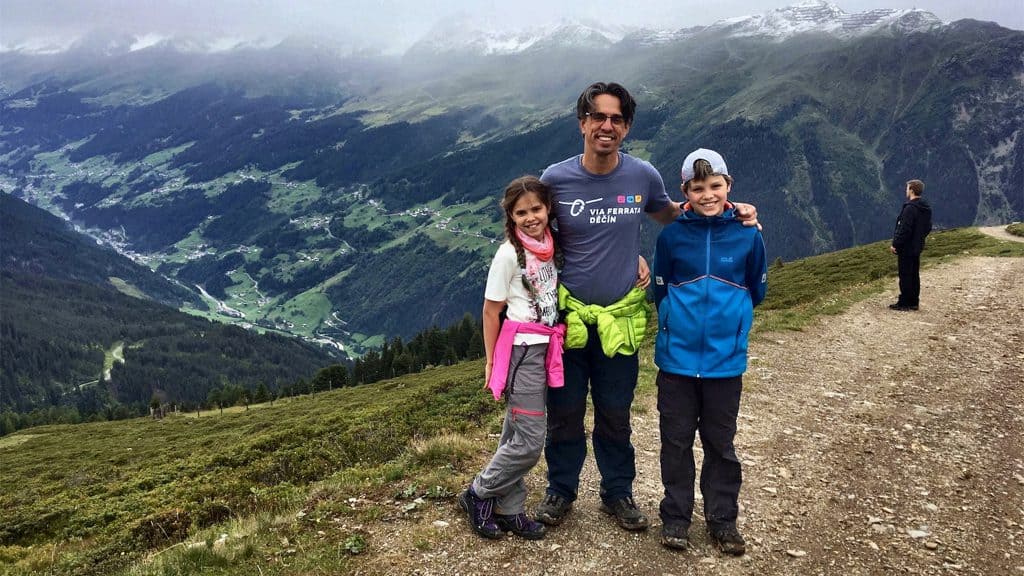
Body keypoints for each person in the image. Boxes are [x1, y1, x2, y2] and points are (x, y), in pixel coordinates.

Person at [534, 82, 759, 532]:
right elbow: (535, 229)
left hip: (621, 319)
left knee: (616, 413)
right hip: (569, 320)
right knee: (565, 412)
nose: (607, 126)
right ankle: (561, 490)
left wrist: (732, 211)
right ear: (582, 123)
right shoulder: (555, 180)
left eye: (616, 119)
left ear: (627, 127)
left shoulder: (642, 177)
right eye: (598, 117)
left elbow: (676, 213)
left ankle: (617, 492)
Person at [651, 148, 767, 554]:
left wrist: (729, 324)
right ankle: (676, 519)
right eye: (698, 188)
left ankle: (723, 520)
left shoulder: (749, 234)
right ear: (685, 191)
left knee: (721, 444)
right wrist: (674, 317)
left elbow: (757, 289)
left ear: (728, 186)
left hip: (724, 363)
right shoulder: (672, 236)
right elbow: (660, 289)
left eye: (715, 186)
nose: (707, 195)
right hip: (676, 362)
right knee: (676, 442)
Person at [459, 176, 566, 541]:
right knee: (531, 441)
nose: (530, 217)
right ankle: (478, 493)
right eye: (521, 212)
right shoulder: (508, 254)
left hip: (545, 346)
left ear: (548, 208)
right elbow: (491, 311)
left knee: (515, 432)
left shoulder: (550, 244)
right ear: (511, 215)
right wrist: (492, 363)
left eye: (536, 208)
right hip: (522, 351)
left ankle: (510, 509)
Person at [889, 179, 932, 311]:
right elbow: (928, 227)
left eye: (907, 188)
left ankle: (905, 302)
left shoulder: (910, 208)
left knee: (905, 274)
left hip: (906, 248)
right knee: (914, 274)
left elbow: (904, 229)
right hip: (917, 246)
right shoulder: (925, 208)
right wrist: (919, 238)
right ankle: (914, 301)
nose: (906, 190)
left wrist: (895, 244)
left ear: (912, 190)